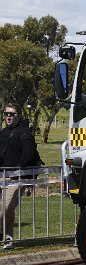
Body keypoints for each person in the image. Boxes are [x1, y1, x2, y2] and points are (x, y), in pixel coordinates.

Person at [0, 103, 39, 249]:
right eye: (6, 114)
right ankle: (8, 238)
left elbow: (28, 155)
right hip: (2, 177)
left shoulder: (24, 133)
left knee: (6, 206)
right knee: (7, 208)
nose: (8, 116)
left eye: (12, 114)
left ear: (19, 116)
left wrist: (16, 172)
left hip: (17, 178)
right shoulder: (3, 133)